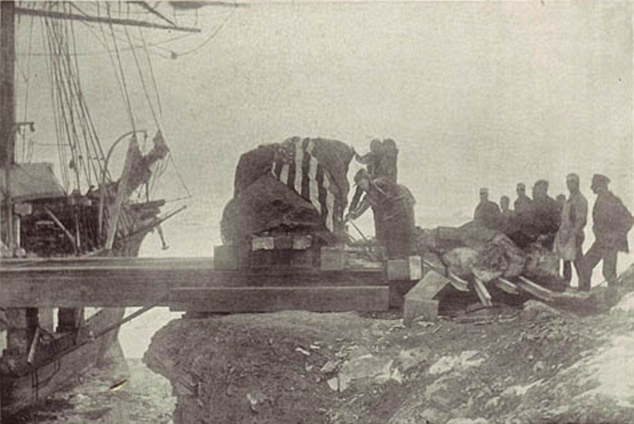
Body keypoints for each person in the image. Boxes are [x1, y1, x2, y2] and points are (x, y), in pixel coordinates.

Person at [578, 174, 633, 291]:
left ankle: (613, 296)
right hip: (601, 241)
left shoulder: (613, 200)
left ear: (602, 186)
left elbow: (629, 219)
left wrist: (616, 235)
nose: (594, 188)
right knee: (585, 264)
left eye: (596, 186)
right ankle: (584, 292)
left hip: (610, 243)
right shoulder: (600, 200)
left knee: (608, 273)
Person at [346, 169, 416, 259]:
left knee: (402, 229)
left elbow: (367, 203)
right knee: (392, 228)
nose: (362, 187)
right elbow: (365, 203)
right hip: (398, 203)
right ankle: (397, 254)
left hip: (403, 201)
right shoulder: (370, 192)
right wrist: (353, 214)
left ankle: (405, 254)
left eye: (363, 184)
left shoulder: (377, 184)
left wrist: (354, 215)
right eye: (360, 185)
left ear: (368, 180)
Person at [554, 174, 588, 284]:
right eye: (568, 182)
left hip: (574, 234)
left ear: (577, 183)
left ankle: (584, 284)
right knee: (566, 259)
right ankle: (566, 282)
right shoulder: (569, 199)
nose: (569, 184)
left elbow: (581, 219)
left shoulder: (580, 199)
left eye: (572, 181)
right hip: (566, 234)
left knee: (577, 259)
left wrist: (573, 233)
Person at [531, 179, 561, 248]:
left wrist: (547, 236)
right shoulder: (533, 204)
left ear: (545, 190)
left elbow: (557, 224)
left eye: (539, 190)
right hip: (535, 238)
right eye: (536, 190)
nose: (536, 192)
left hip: (549, 239)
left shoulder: (552, 204)